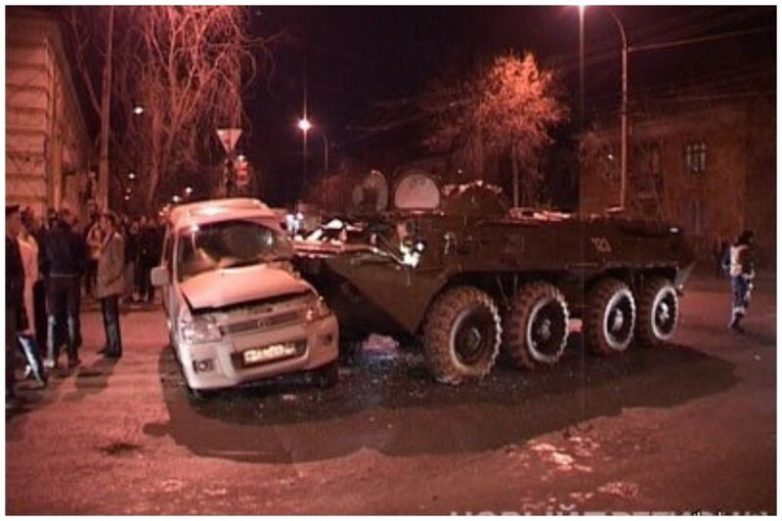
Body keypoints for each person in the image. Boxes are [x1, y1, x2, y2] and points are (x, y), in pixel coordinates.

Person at [44, 208, 87, 369]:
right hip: (71, 278)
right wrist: (79, 271)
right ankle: (72, 355)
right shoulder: (76, 237)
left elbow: (43, 259)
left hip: (54, 278)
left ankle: (52, 355)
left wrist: (48, 273)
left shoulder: (49, 236)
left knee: (53, 318)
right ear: (66, 218)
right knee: (71, 317)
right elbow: (84, 259)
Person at [17, 217, 46, 386]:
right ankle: (37, 369)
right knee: (26, 334)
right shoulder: (30, 246)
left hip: (17, 294)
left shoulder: (22, 246)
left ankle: (35, 368)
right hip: (26, 290)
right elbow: (34, 275)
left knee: (23, 334)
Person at [96, 212, 125, 358]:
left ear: (109, 223)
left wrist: (108, 278)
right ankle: (109, 343)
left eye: (103, 221)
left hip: (110, 285)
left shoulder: (116, 239)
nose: (101, 224)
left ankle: (115, 346)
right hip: (104, 285)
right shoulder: (106, 237)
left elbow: (118, 263)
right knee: (106, 317)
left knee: (111, 317)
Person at [6, 206, 27, 408]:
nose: (19, 223)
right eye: (16, 219)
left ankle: (10, 386)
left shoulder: (12, 242)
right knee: (6, 347)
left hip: (13, 302)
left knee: (10, 346)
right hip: (7, 302)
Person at [728, 230, 756, 333]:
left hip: (734, 275)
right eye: (751, 238)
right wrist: (748, 275)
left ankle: (734, 321)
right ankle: (736, 322)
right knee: (743, 299)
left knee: (737, 298)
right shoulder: (745, 249)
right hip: (742, 276)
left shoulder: (734, 248)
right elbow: (746, 264)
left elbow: (726, 262)